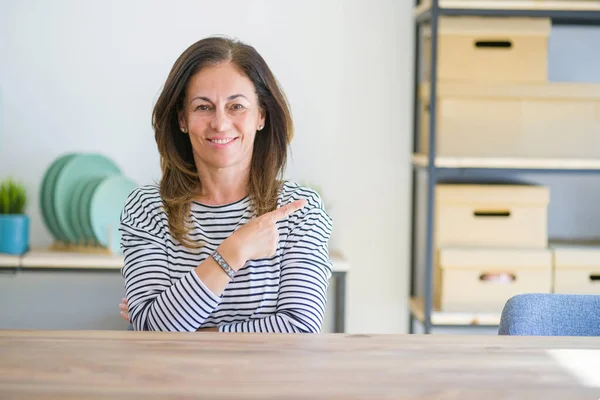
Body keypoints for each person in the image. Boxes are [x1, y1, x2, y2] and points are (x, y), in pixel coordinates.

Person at [117, 36, 333, 333]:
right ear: (182, 118)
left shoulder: (298, 211)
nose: (219, 123)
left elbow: (299, 329)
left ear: (261, 116)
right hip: (174, 380)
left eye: (236, 106)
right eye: (203, 107)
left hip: (267, 381)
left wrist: (193, 330)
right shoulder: (147, 209)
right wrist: (235, 250)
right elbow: (153, 330)